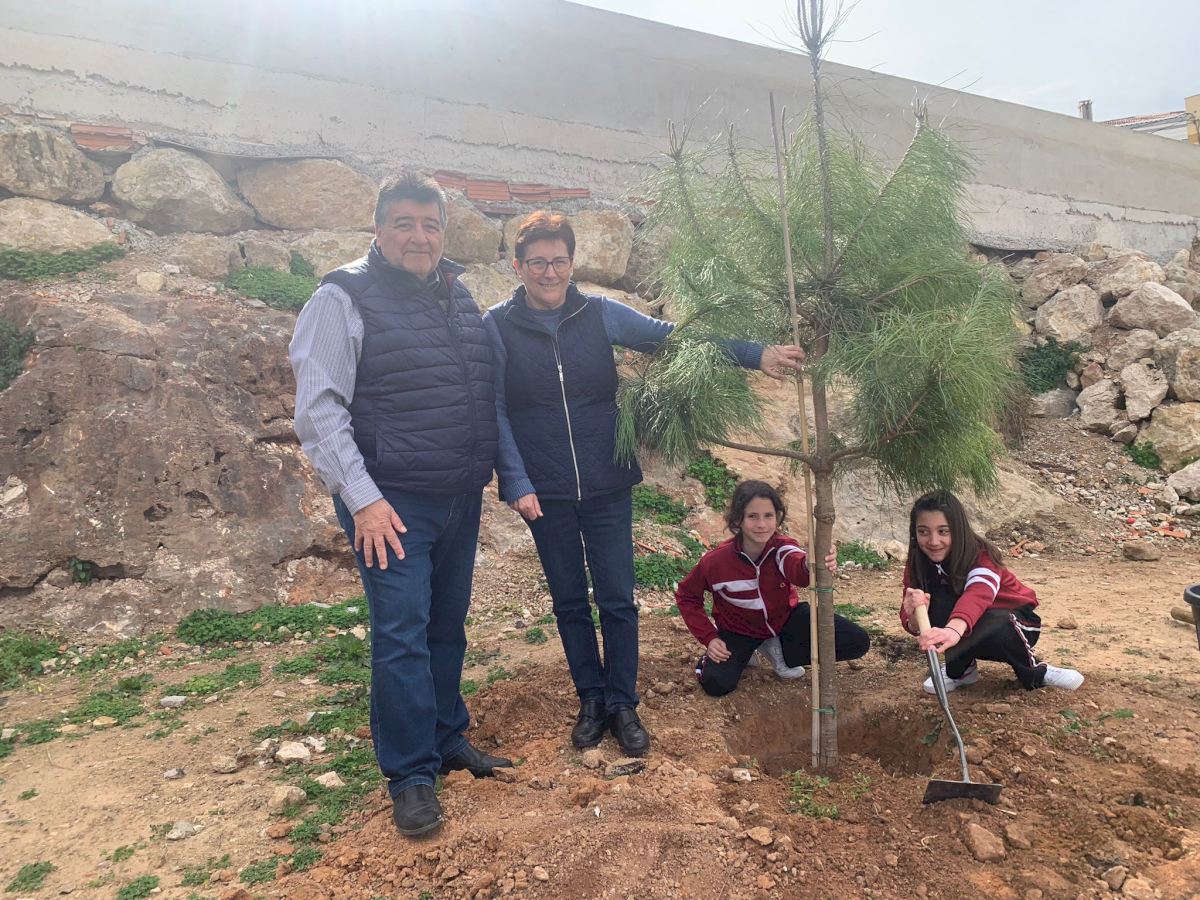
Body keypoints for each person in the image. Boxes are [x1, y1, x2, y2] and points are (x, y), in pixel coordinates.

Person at [483, 212, 806, 756]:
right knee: (569, 601)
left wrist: (755, 354)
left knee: (617, 600)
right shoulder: (496, 325)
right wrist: (515, 479)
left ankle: (623, 703)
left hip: (607, 481)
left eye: (559, 260)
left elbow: (674, 340)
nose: (549, 272)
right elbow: (494, 408)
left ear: (571, 263)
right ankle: (591, 700)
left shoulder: (599, 313)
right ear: (518, 266)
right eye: (537, 262)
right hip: (545, 490)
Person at [289, 172, 511, 839]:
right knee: (402, 633)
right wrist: (363, 501)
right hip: (390, 504)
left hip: (457, 497)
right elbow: (319, 408)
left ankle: (446, 737)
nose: (420, 237)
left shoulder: (456, 294)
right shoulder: (341, 297)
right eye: (405, 223)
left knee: (445, 626)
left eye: (430, 225)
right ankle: (411, 776)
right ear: (379, 229)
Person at [676, 480, 870, 696]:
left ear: (777, 517)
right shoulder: (716, 561)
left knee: (857, 641)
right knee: (715, 682)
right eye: (753, 516)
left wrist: (811, 563)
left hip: (784, 621)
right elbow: (686, 596)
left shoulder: (782, 548)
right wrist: (710, 638)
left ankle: (780, 652)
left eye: (768, 515)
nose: (762, 524)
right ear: (738, 520)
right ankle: (749, 651)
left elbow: (797, 567)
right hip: (738, 630)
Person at [900, 490, 1084, 693]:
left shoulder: (982, 555)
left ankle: (1035, 672)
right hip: (969, 630)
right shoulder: (917, 563)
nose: (934, 541)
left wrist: (952, 631)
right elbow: (914, 620)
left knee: (998, 619)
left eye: (943, 531)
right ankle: (960, 671)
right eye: (924, 532)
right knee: (937, 602)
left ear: (959, 530)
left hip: (1016, 624)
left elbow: (979, 594)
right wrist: (915, 617)